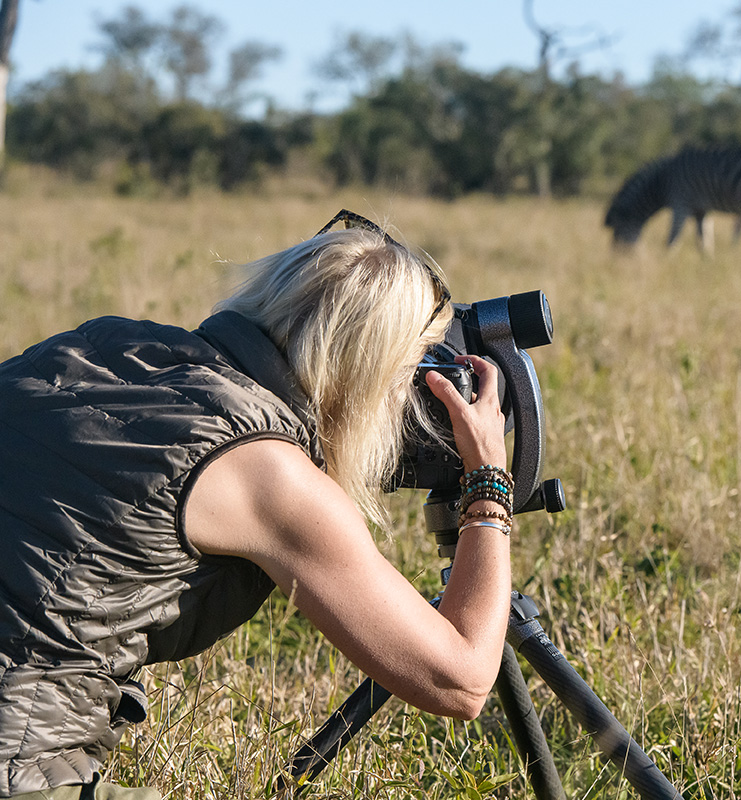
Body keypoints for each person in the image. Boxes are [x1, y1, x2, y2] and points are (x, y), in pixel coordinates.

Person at [0, 211, 515, 799]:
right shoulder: (267, 471)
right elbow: (463, 681)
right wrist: (487, 481)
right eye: (414, 370)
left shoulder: (98, 342)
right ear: (373, 372)